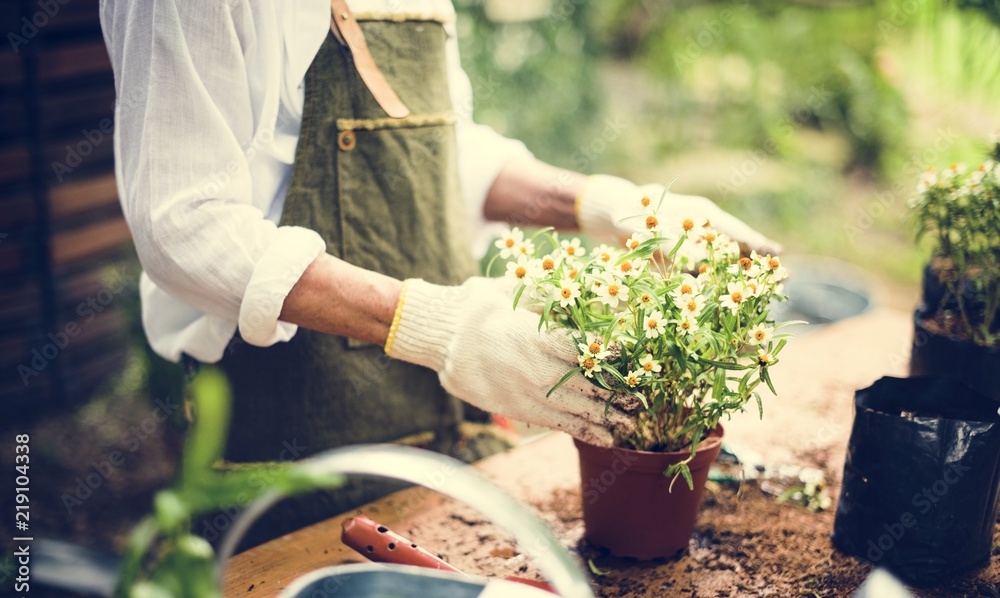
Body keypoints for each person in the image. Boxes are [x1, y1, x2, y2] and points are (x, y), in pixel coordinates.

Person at [99, 0, 778, 526]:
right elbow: (183, 221)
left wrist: (610, 206)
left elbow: (435, 149)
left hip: (443, 436)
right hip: (293, 449)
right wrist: (440, 326)